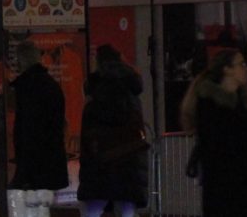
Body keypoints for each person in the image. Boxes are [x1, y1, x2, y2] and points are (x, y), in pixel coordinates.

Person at [179, 49, 247, 217]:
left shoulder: (242, 100)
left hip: (241, 181)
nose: (246, 68)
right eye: (241, 64)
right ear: (226, 69)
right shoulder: (210, 103)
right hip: (224, 183)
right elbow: (220, 139)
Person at [77, 44, 147, 217]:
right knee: (127, 207)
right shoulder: (131, 93)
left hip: (99, 161)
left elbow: (88, 132)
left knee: (93, 208)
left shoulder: (95, 94)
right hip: (129, 159)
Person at [8, 40, 68, 217]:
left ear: (21, 61)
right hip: (49, 158)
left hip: (32, 160)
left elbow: (27, 128)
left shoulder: (26, 87)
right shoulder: (51, 85)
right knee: (41, 206)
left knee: (26, 205)